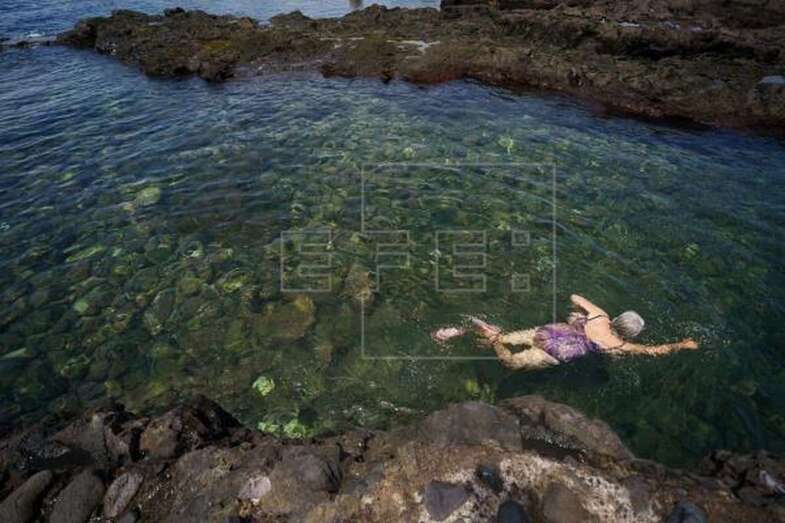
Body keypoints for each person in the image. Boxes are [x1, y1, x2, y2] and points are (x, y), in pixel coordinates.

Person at [432, 294, 699, 370]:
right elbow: (655, 351)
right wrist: (683, 345)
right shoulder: (619, 347)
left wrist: (580, 315)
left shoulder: (600, 315)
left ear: (618, 317)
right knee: (510, 363)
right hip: (558, 351)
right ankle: (492, 340)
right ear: (629, 334)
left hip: (551, 332)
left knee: (506, 337)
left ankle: (468, 331)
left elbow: (575, 296)